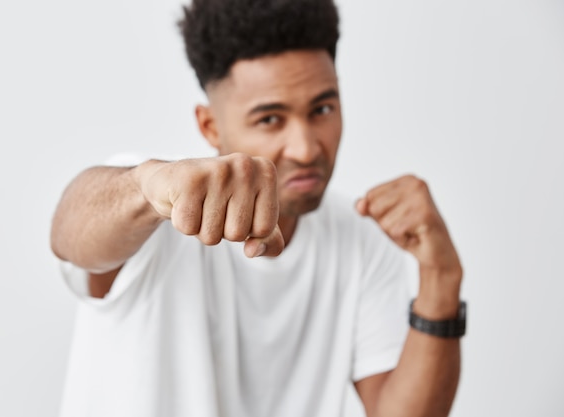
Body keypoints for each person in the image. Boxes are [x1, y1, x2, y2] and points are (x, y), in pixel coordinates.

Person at [51, 0, 465, 416]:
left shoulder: (359, 235)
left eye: (322, 109)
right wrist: (145, 187)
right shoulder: (156, 205)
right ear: (210, 126)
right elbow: (70, 236)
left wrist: (441, 280)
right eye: (270, 119)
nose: (305, 148)